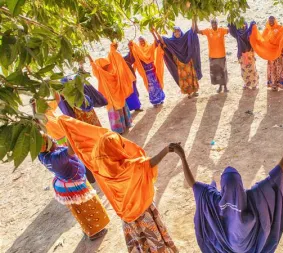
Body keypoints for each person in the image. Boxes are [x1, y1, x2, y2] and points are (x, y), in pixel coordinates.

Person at [58, 115, 178, 252]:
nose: (123, 147)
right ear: (115, 150)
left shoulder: (99, 166)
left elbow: (83, 148)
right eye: (120, 145)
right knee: (154, 238)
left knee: (140, 241)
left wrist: (69, 128)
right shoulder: (126, 168)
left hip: (127, 216)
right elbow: (148, 164)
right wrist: (167, 150)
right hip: (143, 210)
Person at [171, 136, 283, 252]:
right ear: (240, 185)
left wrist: (182, 157)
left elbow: (192, 183)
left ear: (222, 188)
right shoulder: (253, 197)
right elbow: (276, 175)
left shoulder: (214, 200)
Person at [38, 134, 110, 241]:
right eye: (52, 141)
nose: (54, 140)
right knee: (89, 207)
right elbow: (71, 150)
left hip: (65, 185)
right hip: (74, 187)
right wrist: (69, 133)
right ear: (48, 146)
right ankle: (94, 232)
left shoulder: (42, 155)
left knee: (80, 210)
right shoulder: (56, 158)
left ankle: (88, 229)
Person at [88, 55, 133, 134]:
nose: (107, 67)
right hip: (110, 98)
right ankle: (119, 129)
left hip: (118, 95)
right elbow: (95, 68)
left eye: (107, 65)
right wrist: (90, 59)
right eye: (105, 66)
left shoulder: (112, 72)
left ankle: (126, 124)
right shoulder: (101, 74)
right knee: (115, 111)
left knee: (122, 109)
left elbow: (117, 66)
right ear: (101, 66)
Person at [156, 23, 202, 98]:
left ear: (181, 31)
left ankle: (194, 91)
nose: (177, 33)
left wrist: (194, 17)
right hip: (180, 63)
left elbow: (192, 30)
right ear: (173, 33)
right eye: (175, 32)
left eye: (178, 31)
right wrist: (155, 31)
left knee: (191, 76)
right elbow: (162, 40)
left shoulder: (185, 37)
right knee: (184, 78)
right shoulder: (171, 41)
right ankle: (189, 93)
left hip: (188, 61)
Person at [249, 12, 283, 91]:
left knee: (282, 67)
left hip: (280, 53)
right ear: (268, 21)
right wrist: (253, 29)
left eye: (272, 20)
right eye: (270, 20)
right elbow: (261, 40)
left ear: (275, 20)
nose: (271, 21)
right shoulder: (266, 30)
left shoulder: (280, 28)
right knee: (273, 69)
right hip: (271, 54)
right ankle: (274, 85)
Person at [129, 33, 166, 107]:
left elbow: (156, 43)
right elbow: (133, 54)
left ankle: (160, 99)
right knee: (151, 87)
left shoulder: (149, 47)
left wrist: (153, 33)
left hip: (153, 71)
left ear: (145, 40)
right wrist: (130, 45)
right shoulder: (138, 50)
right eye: (140, 41)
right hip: (146, 73)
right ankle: (154, 102)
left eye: (142, 40)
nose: (142, 42)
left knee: (157, 84)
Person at [195, 17, 229, 93]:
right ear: (211, 24)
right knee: (216, 72)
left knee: (223, 70)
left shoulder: (221, 30)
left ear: (217, 23)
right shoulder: (208, 31)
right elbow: (197, 31)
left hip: (221, 54)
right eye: (212, 23)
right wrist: (195, 19)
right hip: (212, 56)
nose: (214, 24)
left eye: (215, 23)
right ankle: (220, 86)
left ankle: (225, 86)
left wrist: (231, 21)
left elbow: (230, 30)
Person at [228, 21, 259, 90]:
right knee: (244, 70)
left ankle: (254, 84)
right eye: (241, 24)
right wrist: (231, 19)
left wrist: (253, 24)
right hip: (242, 54)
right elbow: (231, 30)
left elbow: (254, 33)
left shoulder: (249, 32)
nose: (243, 26)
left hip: (249, 54)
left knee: (252, 69)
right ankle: (247, 84)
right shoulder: (237, 33)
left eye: (244, 24)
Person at [122, 44, 143, 111]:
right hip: (124, 82)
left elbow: (131, 56)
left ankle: (137, 107)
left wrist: (130, 48)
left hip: (130, 80)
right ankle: (131, 108)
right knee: (128, 95)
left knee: (133, 93)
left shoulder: (125, 59)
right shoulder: (116, 64)